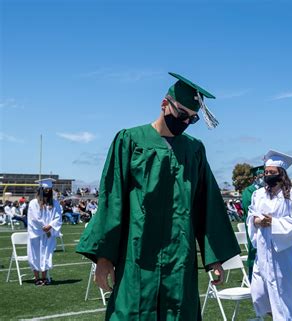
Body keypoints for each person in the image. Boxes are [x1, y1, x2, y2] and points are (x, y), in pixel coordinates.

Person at [76, 72, 240, 320]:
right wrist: (103, 257)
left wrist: (213, 257)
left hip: (179, 259)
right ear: (165, 104)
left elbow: (207, 205)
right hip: (138, 255)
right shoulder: (130, 141)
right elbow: (113, 199)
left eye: (192, 119)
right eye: (181, 114)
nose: (185, 122)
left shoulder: (193, 150)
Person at [247, 150, 292, 320]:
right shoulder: (258, 195)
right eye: (266, 172)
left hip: (284, 253)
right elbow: (251, 216)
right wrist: (257, 222)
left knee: (285, 296)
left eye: (272, 172)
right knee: (259, 294)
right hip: (263, 251)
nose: (268, 175)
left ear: (281, 174)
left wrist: (274, 223)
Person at [27, 178, 62, 286]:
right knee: (35, 255)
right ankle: (37, 278)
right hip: (36, 234)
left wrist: (50, 226)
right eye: (45, 189)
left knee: (46, 255)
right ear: (41, 190)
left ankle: (44, 277)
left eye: (49, 189)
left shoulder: (55, 203)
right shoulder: (33, 203)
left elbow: (58, 216)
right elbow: (34, 218)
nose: (47, 191)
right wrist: (44, 227)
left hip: (49, 234)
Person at [241, 165, 265, 281]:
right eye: (261, 176)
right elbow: (248, 209)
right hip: (254, 226)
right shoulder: (248, 191)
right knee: (254, 250)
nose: (263, 178)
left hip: (265, 227)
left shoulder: (267, 190)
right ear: (255, 177)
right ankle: (252, 280)